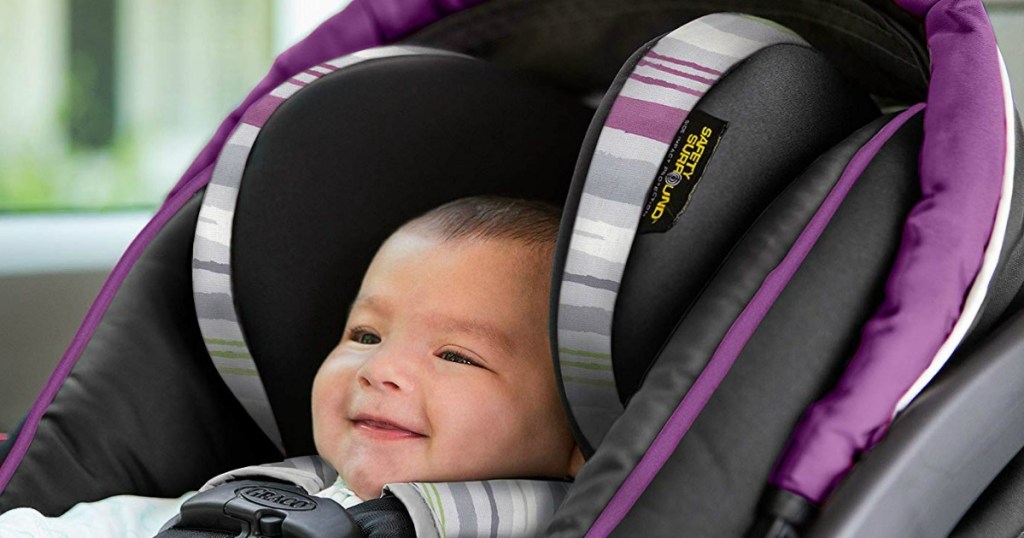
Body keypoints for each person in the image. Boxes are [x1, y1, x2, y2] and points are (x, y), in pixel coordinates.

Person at [0, 195, 583, 535]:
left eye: (456, 355)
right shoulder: (275, 491)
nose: (380, 369)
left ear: (579, 435)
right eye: (366, 333)